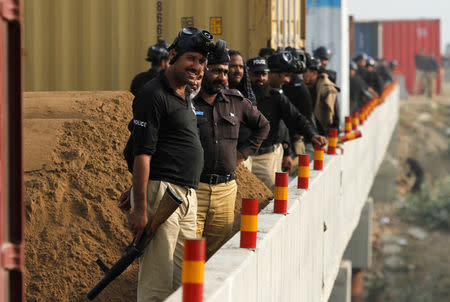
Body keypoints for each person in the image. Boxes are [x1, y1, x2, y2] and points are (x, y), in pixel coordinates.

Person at [122, 27, 215, 302]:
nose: (197, 67)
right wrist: (140, 206)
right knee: (156, 283)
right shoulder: (153, 95)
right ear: (173, 55)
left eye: (201, 61)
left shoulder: (184, 93)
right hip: (162, 194)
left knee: (183, 282)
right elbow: (142, 154)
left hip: (185, 195)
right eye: (192, 59)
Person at [193, 41, 270, 259]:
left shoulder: (236, 101)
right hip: (194, 188)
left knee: (216, 255)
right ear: (203, 70)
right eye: (216, 71)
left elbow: (263, 126)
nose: (222, 77)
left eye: (225, 72)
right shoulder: (187, 102)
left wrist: (243, 153)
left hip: (225, 191)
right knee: (188, 252)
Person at [245, 56, 327, 191]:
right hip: (243, 159)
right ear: (248, 75)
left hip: (266, 158)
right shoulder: (238, 97)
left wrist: (312, 135)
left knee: (268, 200)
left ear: (268, 74)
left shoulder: (276, 97)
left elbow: (296, 118)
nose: (260, 78)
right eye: (256, 74)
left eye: (263, 74)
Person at [283, 48, 315, 156]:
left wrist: (313, 136)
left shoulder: (300, 87)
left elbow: (306, 115)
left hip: (295, 138)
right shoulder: (279, 85)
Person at [303, 53, 340, 136]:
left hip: (323, 133)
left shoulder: (327, 88)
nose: (303, 74)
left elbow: (334, 116)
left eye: (305, 71)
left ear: (315, 73)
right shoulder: (304, 86)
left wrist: (333, 139)